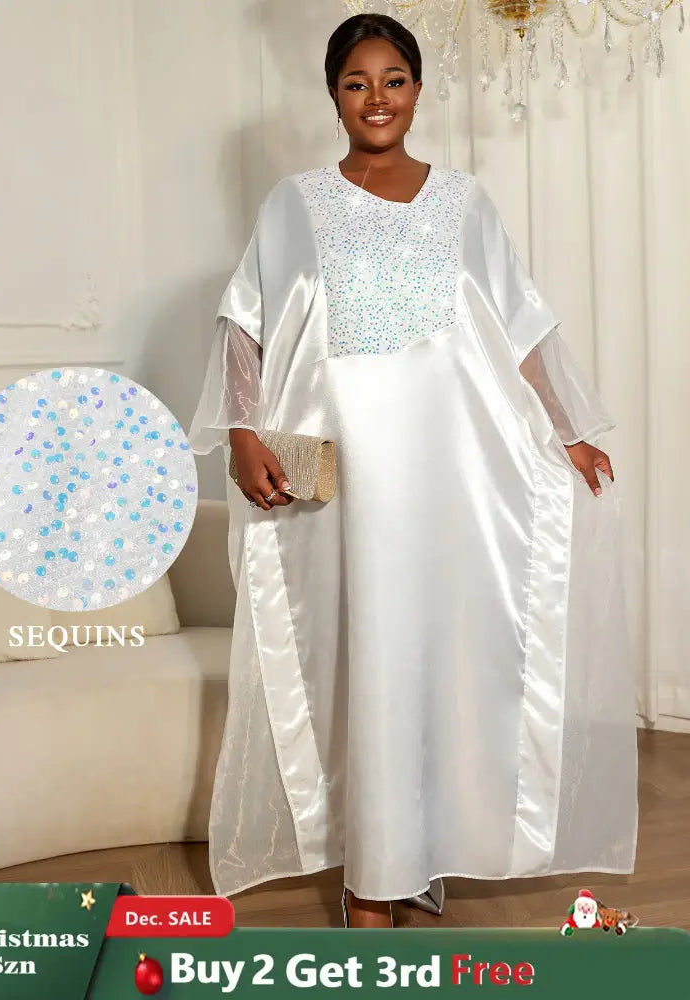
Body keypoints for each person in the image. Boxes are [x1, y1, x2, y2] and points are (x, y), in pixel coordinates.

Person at [188, 13, 638, 929]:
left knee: (444, 655)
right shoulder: (292, 204)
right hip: (345, 487)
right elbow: (246, 325)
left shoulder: (464, 202)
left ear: (418, 90)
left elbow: (519, 327)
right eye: (356, 82)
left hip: (445, 476)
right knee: (359, 659)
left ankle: (420, 849)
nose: (377, 98)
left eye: (393, 79)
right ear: (332, 96)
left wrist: (568, 432)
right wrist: (241, 433)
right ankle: (369, 878)